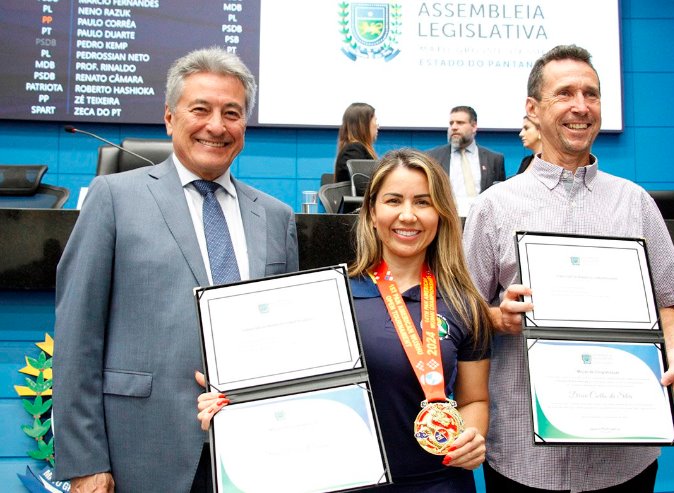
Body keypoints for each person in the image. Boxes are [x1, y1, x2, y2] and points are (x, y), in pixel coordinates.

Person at [53, 47, 299, 493]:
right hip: (141, 453)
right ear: (170, 118)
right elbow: (76, 338)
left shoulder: (277, 217)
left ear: (245, 126)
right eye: (200, 110)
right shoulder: (113, 199)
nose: (216, 126)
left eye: (232, 113)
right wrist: (85, 462)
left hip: (254, 456)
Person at [463, 45, 674, 492]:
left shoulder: (635, 203)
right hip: (522, 458)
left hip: (624, 453)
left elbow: (668, 304)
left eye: (592, 94)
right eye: (565, 93)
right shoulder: (494, 207)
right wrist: (496, 316)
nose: (581, 107)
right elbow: (460, 316)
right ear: (533, 108)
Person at [198, 149, 494, 491]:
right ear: (370, 213)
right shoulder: (328, 299)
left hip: (439, 481)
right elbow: (292, 391)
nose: (408, 215)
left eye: (424, 202)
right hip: (346, 479)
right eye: (393, 201)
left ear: (441, 214)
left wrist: (472, 435)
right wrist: (232, 400)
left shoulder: (464, 303)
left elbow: (474, 400)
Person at [426, 106, 505, 213]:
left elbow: (499, 197)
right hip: (447, 220)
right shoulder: (432, 157)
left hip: (481, 220)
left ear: (474, 127)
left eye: (460, 123)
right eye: (451, 123)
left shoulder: (494, 159)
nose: (454, 127)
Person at [333, 102, 379, 183]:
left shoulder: (355, 149)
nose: (377, 125)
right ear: (364, 124)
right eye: (375, 120)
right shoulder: (353, 150)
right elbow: (361, 185)